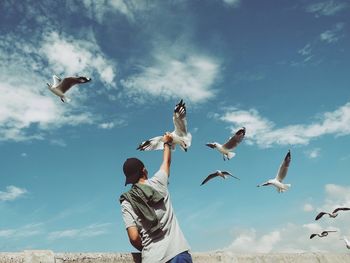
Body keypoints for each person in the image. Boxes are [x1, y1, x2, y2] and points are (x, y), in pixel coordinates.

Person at [120, 133, 192, 263]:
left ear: (129, 180)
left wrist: (151, 250)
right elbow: (166, 161)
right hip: (177, 252)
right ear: (144, 170)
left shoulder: (127, 202)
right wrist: (167, 143)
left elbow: (134, 237)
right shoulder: (159, 182)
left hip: (153, 258)